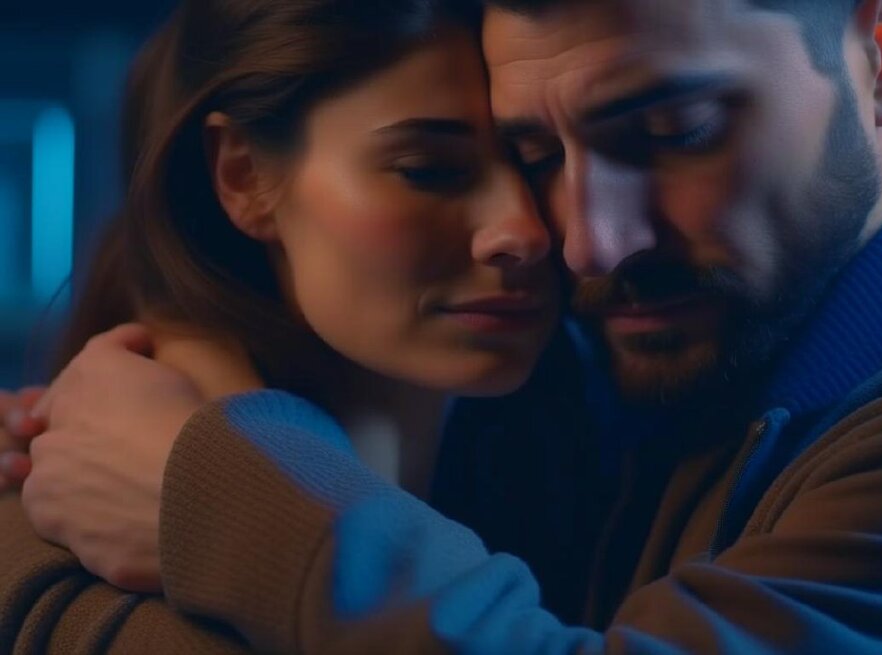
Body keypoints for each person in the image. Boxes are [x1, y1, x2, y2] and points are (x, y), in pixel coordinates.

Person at [8, 0, 882, 652]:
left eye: (673, 132)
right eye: (540, 150)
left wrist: (212, 483)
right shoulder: (658, 360)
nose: (584, 239)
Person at [0, 0, 567, 650]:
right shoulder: (66, 576)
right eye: (428, 170)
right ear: (243, 175)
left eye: (540, 161)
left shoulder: (596, 478)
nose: (521, 230)